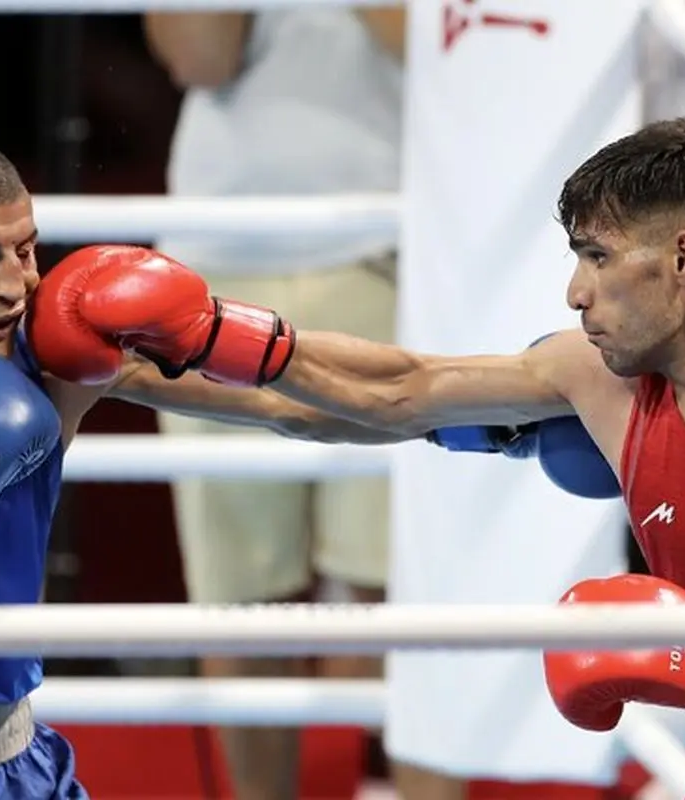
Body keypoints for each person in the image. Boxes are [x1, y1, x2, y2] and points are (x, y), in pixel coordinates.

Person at [57, 117, 685, 797]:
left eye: (597, 257)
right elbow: (393, 393)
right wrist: (149, 366)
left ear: (684, 259)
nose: (575, 292)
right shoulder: (604, 383)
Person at [0, 132, 408, 799]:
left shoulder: (50, 354)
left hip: (12, 765)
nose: (15, 285)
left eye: (23, 251)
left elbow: (288, 399)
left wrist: (484, 412)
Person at [140, 7, 413, 798]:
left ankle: (386, 781)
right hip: (221, 256)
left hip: (383, 250)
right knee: (242, 596)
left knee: (386, 581)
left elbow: (434, 54)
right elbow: (201, 57)